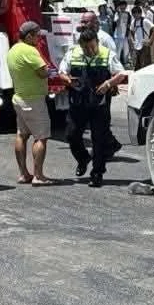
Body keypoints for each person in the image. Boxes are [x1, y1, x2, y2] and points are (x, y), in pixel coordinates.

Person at [59, 29, 127, 187]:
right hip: (78, 103)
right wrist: (68, 80)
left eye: (92, 47)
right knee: (72, 135)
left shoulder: (107, 54)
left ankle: (97, 173)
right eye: (85, 48)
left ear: (97, 42)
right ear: (80, 45)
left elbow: (121, 74)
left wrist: (108, 83)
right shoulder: (73, 53)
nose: (89, 50)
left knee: (99, 140)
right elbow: (62, 72)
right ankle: (83, 158)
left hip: (99, 105)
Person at [6, 21, 57, 187]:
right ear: (29, 36)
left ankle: (23, 174)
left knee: (22, 135)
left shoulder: (13, 49)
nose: (39, 39)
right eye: (37, 36)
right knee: (41, 137)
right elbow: (43, 72)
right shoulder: (30, 50)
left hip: (19, 97)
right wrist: (52, 72)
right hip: (33, 99)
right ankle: (38, 175)